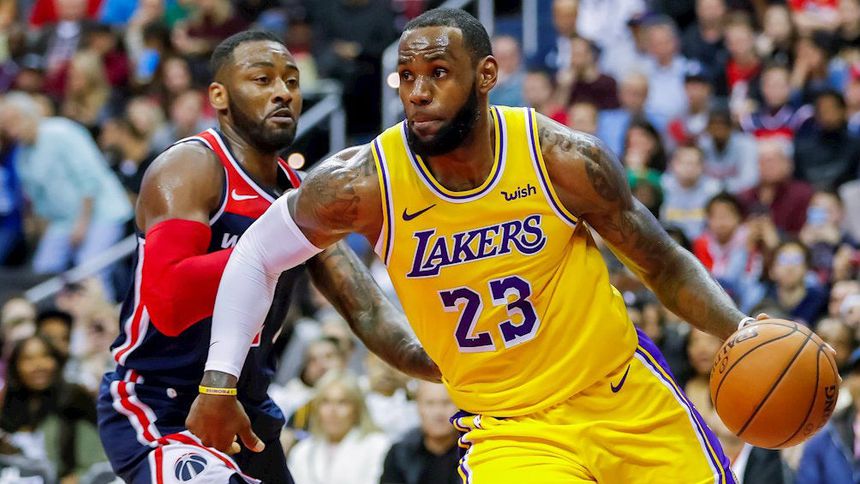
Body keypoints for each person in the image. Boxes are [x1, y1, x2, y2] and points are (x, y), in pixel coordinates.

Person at [190, 9, 780, 482]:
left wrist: (739, 328)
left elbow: (662, 263)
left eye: (438, 73)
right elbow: (256, 255)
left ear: (486, 75)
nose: (418, 92)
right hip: (511, 430)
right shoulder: (362, 182)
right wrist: (219, 381)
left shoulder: (560, 157)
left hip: (622, 394)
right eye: (407, 77)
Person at [96, 30, 439, 484]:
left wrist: (437, 363)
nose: (283, 92)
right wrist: (266, 250)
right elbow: (169, 300)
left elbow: (365, 308)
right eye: (262, 79)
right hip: (163, 403)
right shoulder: (191, 167)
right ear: (219, 96)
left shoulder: (299, 194)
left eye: (292, 82)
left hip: (247, 406)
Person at [286, 371, 390, 484]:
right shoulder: (302, 451)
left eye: (342, 402)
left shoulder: (377, 445)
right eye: (326, 402)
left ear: (357, 408)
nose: (332, 411)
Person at [381, 381, 460, 484]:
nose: (438, 412)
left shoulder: (473, 452)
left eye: (446, 403)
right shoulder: (400, 454)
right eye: (430, 403)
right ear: (418, 407)